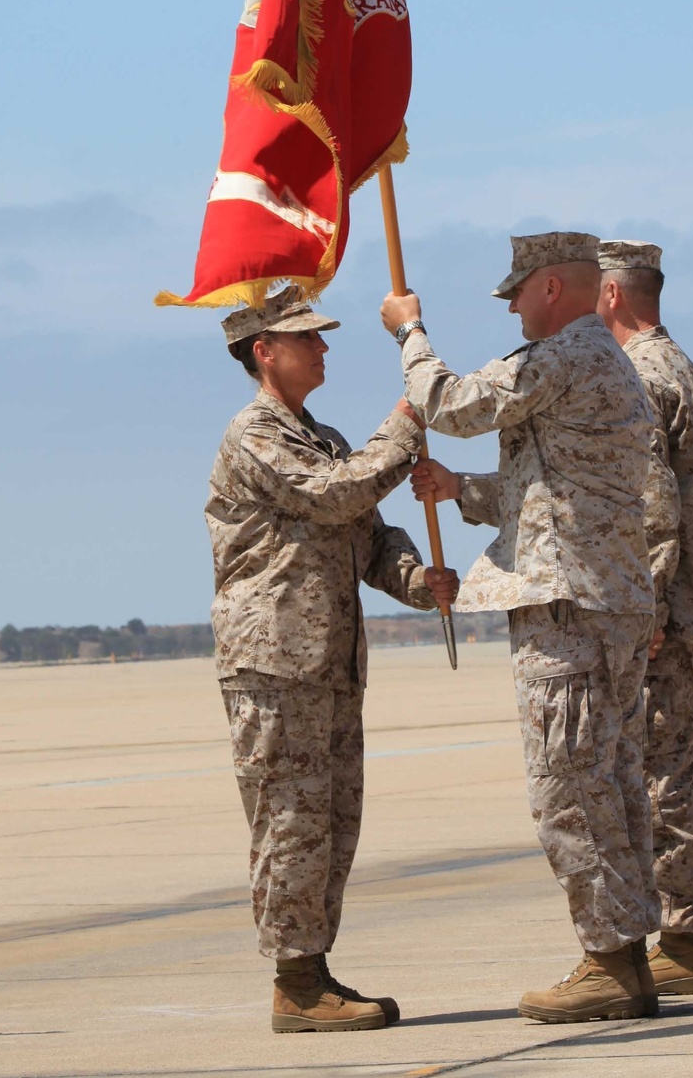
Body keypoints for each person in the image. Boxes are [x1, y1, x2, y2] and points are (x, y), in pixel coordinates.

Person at [381, 232, 667, 1024]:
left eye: (515, 293)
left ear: (549, 287)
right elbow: (551, 483)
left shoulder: (566, 352)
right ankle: (625, 956)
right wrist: (460, 491)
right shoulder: (601, 361)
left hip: (569, 606)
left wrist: (410, 330)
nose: (509, 307)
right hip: (603, 597)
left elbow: (454, 403)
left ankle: (608, 958)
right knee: (609, 782)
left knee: (567, 787)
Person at [208, 286, 459, 1034]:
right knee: (291, 822)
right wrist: (407, 422)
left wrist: (419, 580)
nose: (323, 349)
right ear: (264, 351)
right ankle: (295, 982)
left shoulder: (321, 434)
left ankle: (314, 968)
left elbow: (370, 536)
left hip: (328, 665)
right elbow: (333, 495)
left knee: (331, 824)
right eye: (307, 338)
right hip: (277, 664)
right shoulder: (255, 434)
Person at [597, 239, 693, 995]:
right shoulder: (689, 369)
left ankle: (684, 939)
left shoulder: (642, 376)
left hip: (670, 617)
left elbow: (654, 506)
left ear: (615, 295)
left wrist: (644, 607)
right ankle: (686, 934)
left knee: (665, 777)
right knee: (682, 770)